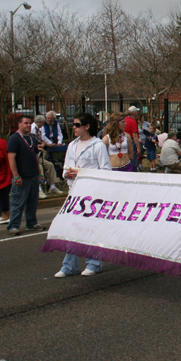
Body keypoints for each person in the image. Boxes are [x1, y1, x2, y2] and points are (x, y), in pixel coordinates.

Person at [55, 113, 111, 278]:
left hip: (92, 194)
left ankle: (94, 263)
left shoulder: (98, 145)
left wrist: (81, 173)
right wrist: (68, 174)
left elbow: (106, 170)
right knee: (73, 229)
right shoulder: (72, 145)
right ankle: (69, 266)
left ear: (87, 126)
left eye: (77, 124)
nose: (74, 127)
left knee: (90, 229)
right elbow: (66, 167)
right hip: (75, 192)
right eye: (73, 124)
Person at [6, 115, 45, 236]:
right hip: (22, 176)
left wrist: (40, 173)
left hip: (33, 175)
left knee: (32, 202)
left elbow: (35, 157)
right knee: (18, 202)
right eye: (25, 123)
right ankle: (13, 225)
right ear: (19, 124)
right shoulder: (15, 139)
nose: (28, 125)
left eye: (30, 123)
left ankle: (31, 223)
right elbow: (11, 158)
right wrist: (16, 175)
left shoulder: (32, 138)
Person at [125, 107, 142, 172]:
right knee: (133, 159)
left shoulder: (125, 119)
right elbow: (134, 135)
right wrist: (138, 147)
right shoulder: (133, 122)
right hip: (131, 141)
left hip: (124, 140)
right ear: (134, 113)